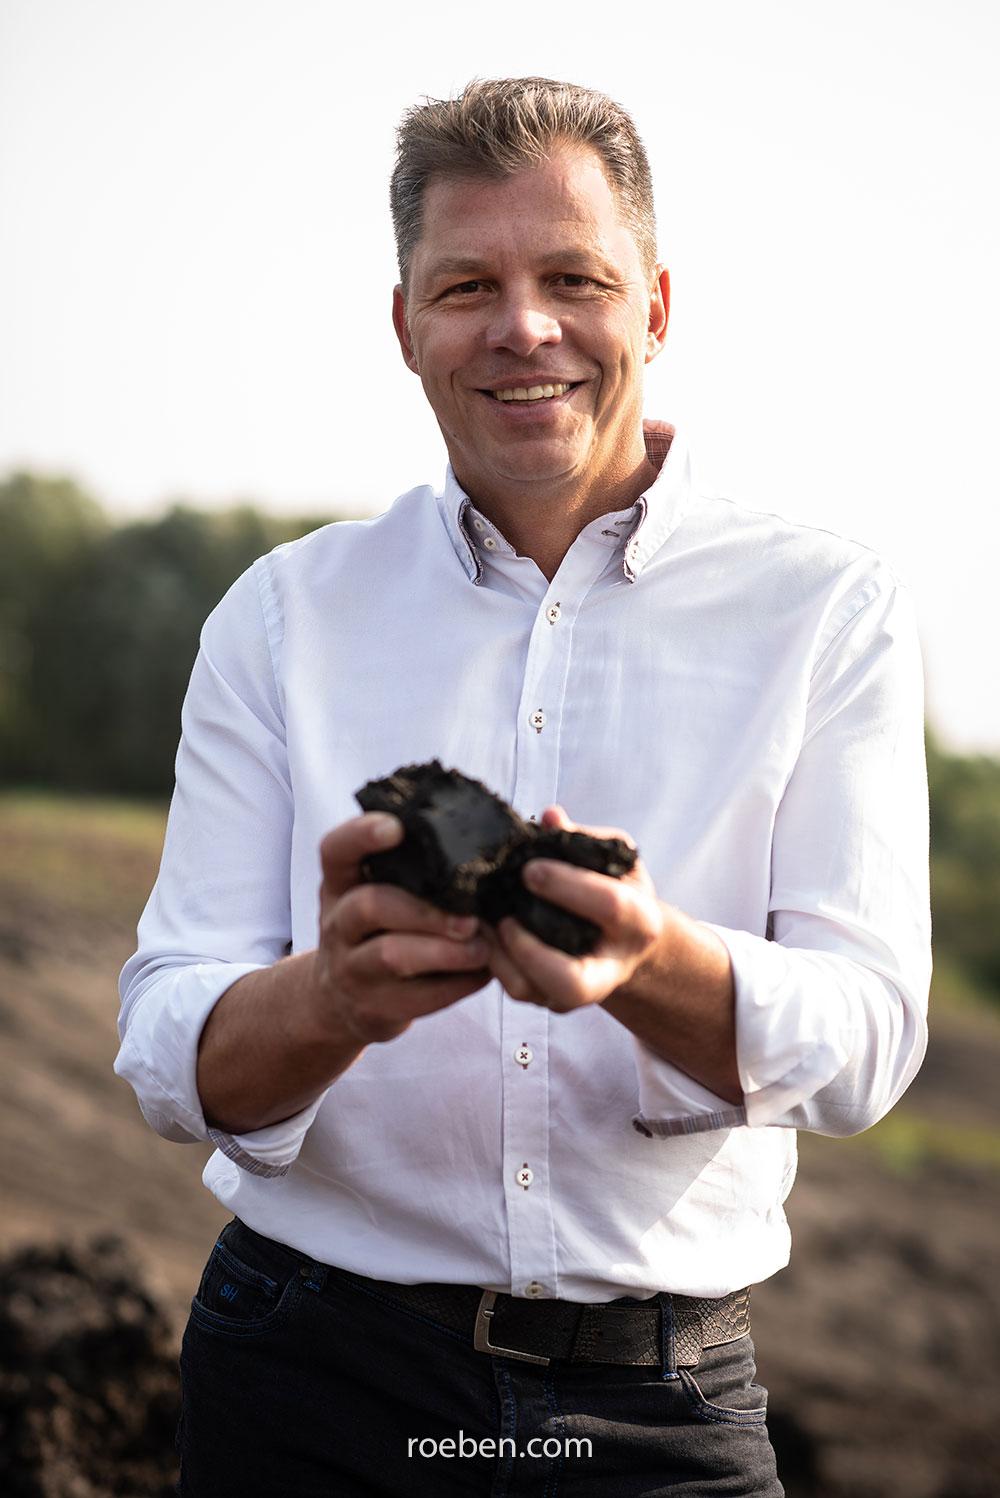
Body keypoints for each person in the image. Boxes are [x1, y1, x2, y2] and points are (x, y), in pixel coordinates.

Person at [114, 77, 931, 1497]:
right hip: (309, 1369)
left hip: (657, 1408)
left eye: (574, 278)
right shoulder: (280, 615)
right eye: (466, 285)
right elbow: (167, 1043)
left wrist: (651, 962)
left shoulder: (827, 610)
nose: (523, 328)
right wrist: (333, 998)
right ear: (404, 325)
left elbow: (867, 1039)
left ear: (658, 307)